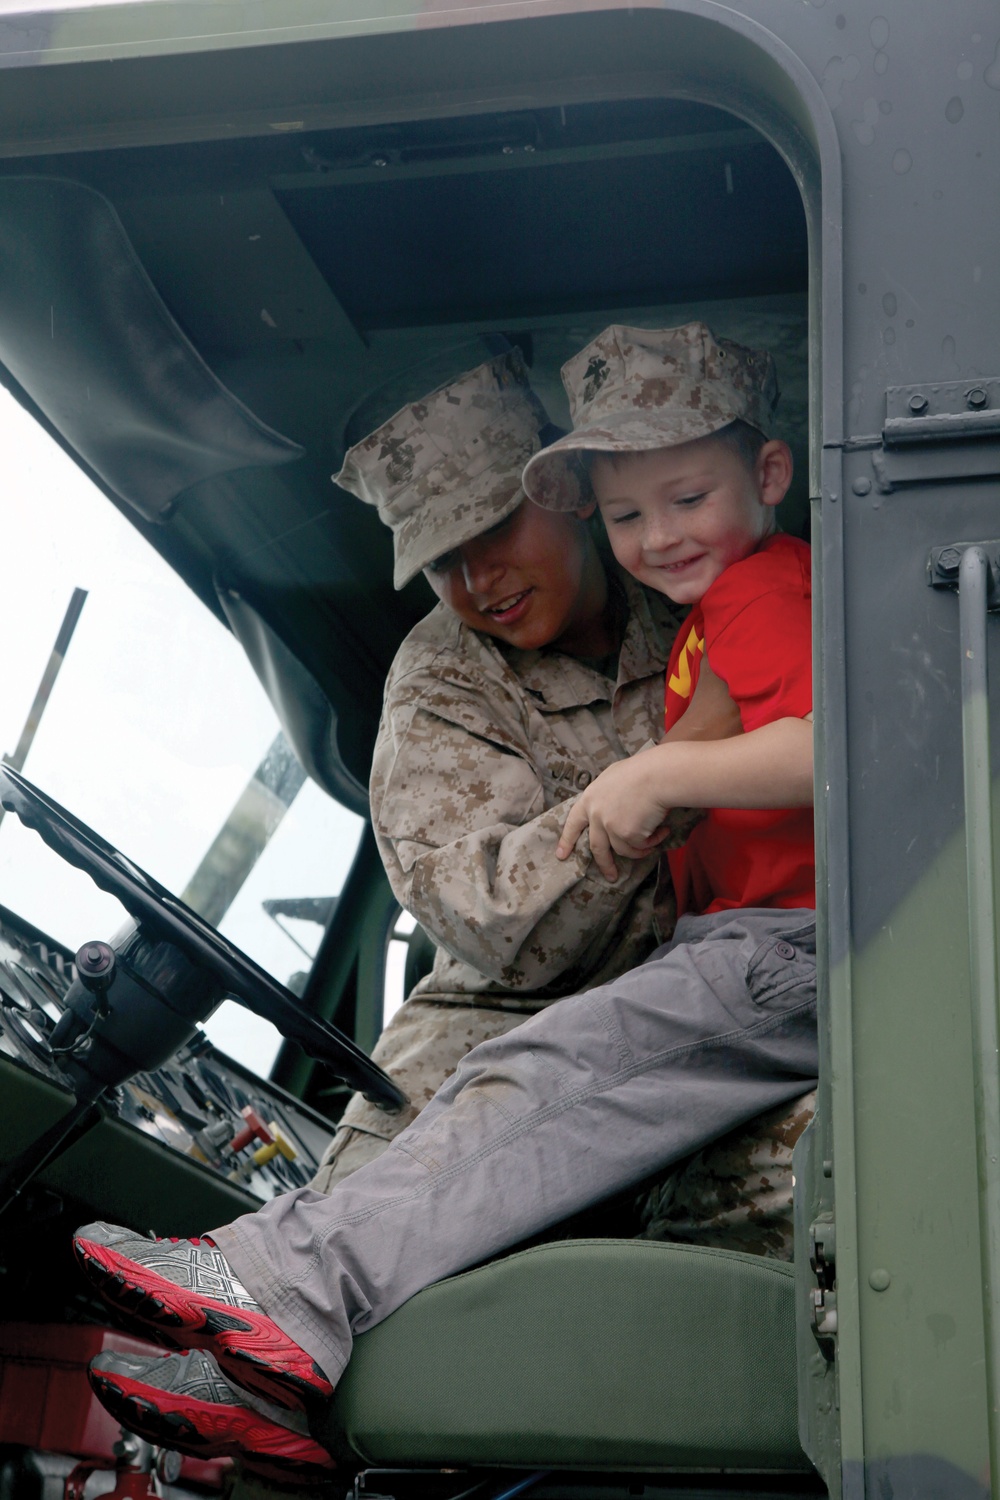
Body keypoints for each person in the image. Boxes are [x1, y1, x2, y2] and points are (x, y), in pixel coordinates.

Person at [72, 325, 819, 1476]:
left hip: (719, 987)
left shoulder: (700, 574)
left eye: (492, 532)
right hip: (515, 1009)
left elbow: (811, 741)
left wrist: (665, 772)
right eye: (440, 560)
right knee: (435, 1142)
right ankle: (247, 1393)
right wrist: (637, 806)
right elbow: (498, 927)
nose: (476, 580)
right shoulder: (439, 684)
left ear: (562, 495)